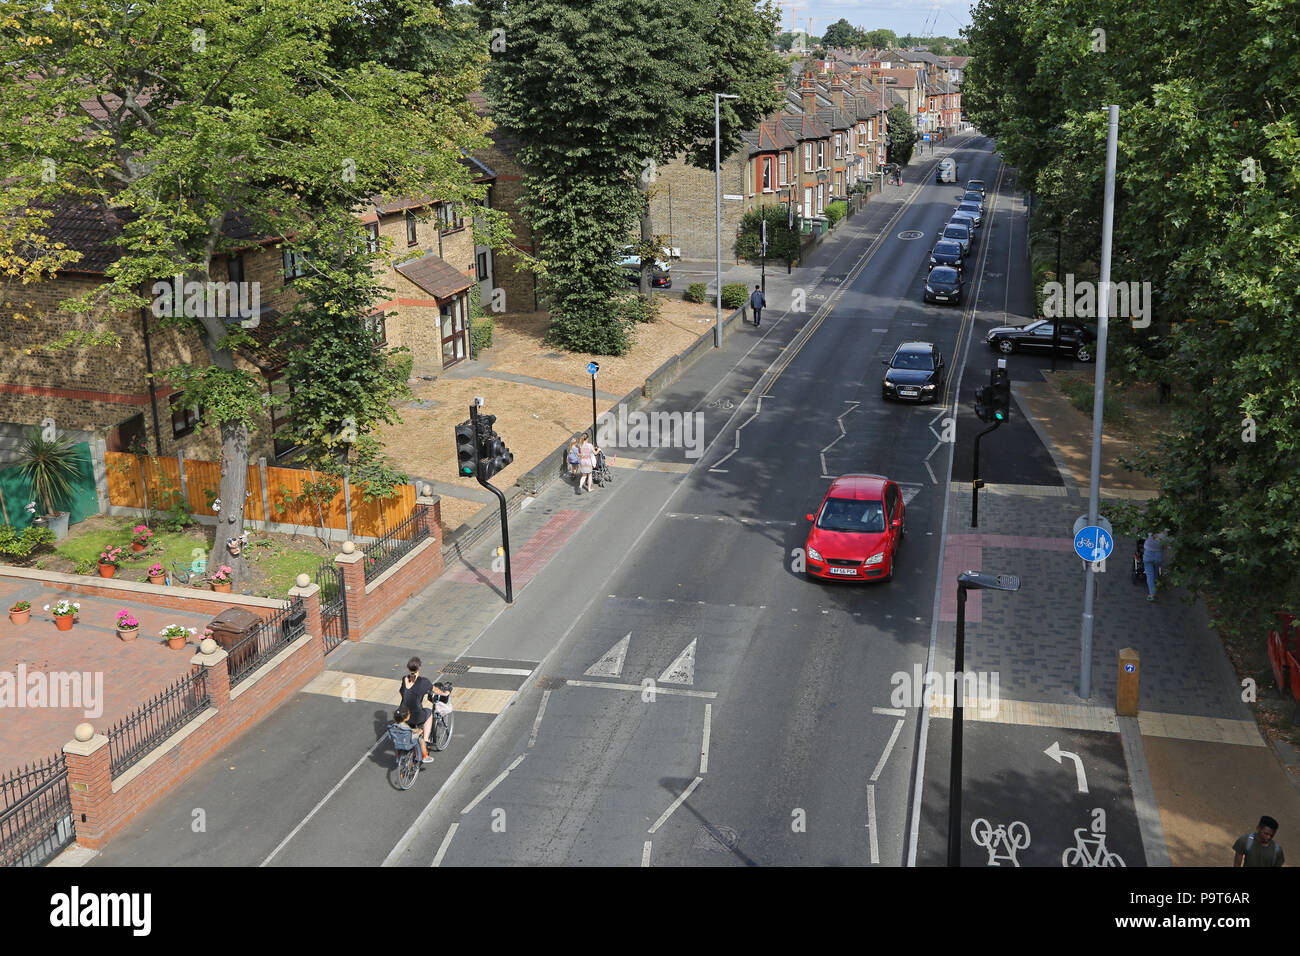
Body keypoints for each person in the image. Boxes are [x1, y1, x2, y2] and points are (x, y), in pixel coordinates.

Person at [397, 657, 435, 762]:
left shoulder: (404, 679)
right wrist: (445, 693)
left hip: (402, 714)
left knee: (409, 726)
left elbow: (402, 692)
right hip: (415, 715)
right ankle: (425, 749)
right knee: (428, 713)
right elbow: (434, 689)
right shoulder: (423, 681)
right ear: (419, 668)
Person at [1142, 531, 1166, 601]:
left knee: (1149, 575)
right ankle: (1155, 585)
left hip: (1148, 554)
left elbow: (1142, 536)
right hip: (1158, 555)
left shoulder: (1149, 530)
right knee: (1155, 572)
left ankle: (1152, 594)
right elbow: (1165, 546)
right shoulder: (1163, 534)